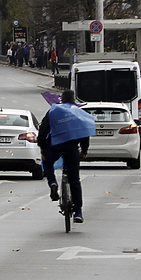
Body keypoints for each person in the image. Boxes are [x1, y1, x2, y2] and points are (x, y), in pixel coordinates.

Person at [38, 90, 94, 223]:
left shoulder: (53, 111)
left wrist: (43, 147)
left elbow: (43, 129)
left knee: (47, 163)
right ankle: (78, 212)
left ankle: (52, 182)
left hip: (55, 146)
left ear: (61, 99)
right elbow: (84, 131)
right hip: (71, 148)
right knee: (75, 180)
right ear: (74, 99)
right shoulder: (78, 112)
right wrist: (84, 149)